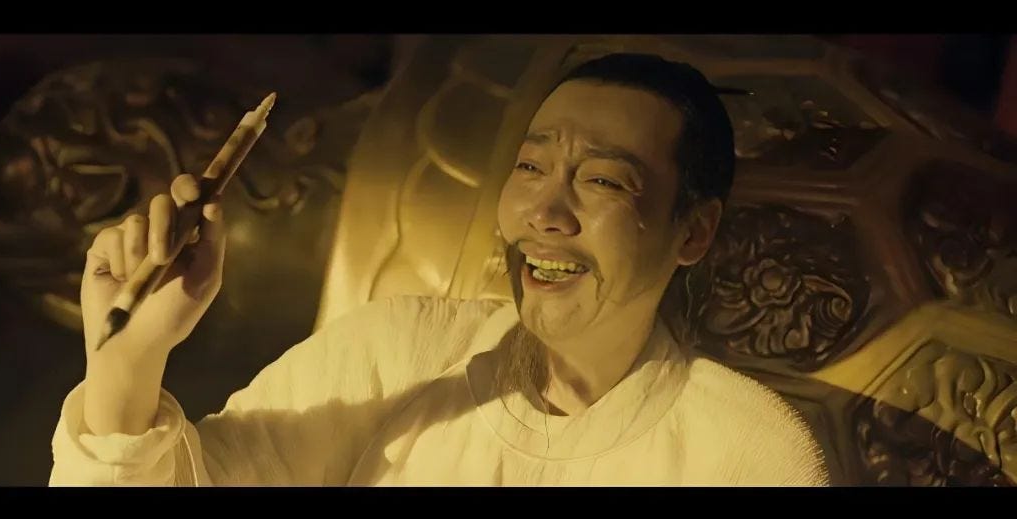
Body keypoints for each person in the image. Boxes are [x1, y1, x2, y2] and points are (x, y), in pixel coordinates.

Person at [50, 53, 829, 486]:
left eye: (601, 180)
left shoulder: (749, 455)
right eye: (530, 167)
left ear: (693, 230)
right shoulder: (395, 351)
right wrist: (128, 361)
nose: (545, 212)